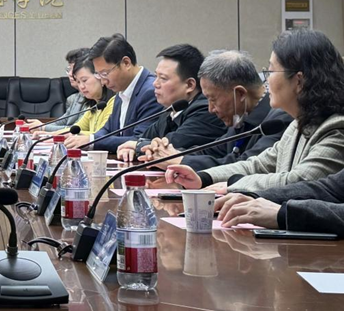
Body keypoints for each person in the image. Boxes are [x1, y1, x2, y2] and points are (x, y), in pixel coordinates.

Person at [166, 30, 344, 193]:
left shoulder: (336, 128)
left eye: (271, 71)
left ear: (299, 81)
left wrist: (233, 184)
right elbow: (257, 165)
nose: (266, 81)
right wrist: (204, 177)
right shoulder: (297, 125)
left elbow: (299, 181)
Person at [138, 49, 292, 169]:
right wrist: (169, 154)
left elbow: (246, 165)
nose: (210, 109)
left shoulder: (279, 120)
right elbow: (213, 150)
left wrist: (181, 161)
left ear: (239, 93)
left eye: (213, 99)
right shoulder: (241, 115)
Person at [116, 44, 224, 163]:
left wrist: (137, 146)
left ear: (189, 85)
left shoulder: (206, 110)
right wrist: (132, 149)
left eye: (163, 78)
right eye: (156, 76)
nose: (155, 84)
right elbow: (144, 138)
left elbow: (170, 146)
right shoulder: (171, 109)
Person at [77, 33, 162, 151]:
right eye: (98, 74)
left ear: (126, 63)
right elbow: (108, 130)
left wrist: (92, 141)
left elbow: (141, 140)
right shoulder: (121, 92)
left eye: (105, 73)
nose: (103, 81)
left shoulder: (151, 92)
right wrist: (87, 139)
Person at [214, 169, 344, 233]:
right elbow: (330, 188)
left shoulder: (334, 130)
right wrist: (256, 198)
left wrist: (285, 213)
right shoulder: (295, 129)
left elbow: (300, 177)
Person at [60, 57, 116, 148]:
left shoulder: (114, 102)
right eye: (78, 82)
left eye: (84, 80)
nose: (81, 86)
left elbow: (101, 135)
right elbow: (76, 128)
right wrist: (48, 135)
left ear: (100, 78)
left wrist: (74, 135)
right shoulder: (93, 106)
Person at [30, 47, 90, 132]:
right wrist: (41, 126)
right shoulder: (76, 97)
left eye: (74, 69)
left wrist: (42, 128)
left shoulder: (92, 99)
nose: (70, 74)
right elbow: (63, 121)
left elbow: (76, 128)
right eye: (69, 69)